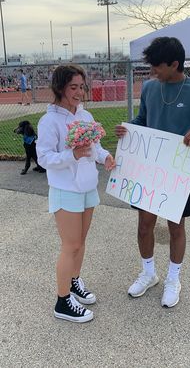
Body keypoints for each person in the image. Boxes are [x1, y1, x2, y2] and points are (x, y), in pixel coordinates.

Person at [115, 37, 190, 308]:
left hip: (177, 174)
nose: (152, 71)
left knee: (176, 227)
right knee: (144, 225)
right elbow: (143, 119)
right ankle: (148, 273)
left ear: (175, 64)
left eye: (157, 66)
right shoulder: (151, 89)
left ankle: (173, 279)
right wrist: (129, 128)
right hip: (149, 171)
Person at [36, 64, 115, 323]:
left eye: (82, 86)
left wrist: (106, 158)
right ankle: (62, 301)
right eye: (73, 87)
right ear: (60, 88)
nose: (79, 92)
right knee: (70, 245)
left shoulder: (86, 116)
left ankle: (73, 282)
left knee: (80, 242)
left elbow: (96, 147)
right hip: (65, 190)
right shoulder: (50, 121)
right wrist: (72, 154)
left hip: (88, 186)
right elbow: (44, 158)